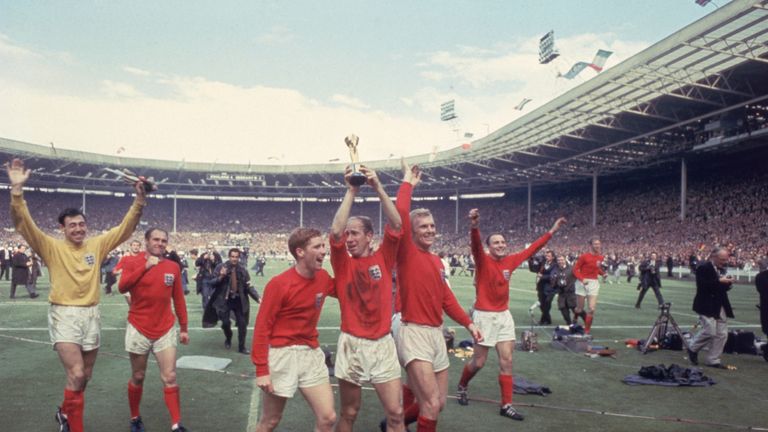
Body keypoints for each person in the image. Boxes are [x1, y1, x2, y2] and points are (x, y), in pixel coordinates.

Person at [6, 158, 148, 432]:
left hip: (92, 315)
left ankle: (64, 412)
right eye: (72, 225)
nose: (79, 229)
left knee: (85, 377)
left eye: (82, 224)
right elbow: (24, 224)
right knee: (77, 372)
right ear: (63, 228)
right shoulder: (50, 246)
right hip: (64, 314)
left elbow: (124, 229)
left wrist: (139, 203)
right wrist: (16, 191)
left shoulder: (96, 244)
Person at [394, 162, 482, 432]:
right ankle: (395, 424)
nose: (430, 230)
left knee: (438, 403)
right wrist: (408, 182)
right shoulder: (406, 252)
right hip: (414, 333)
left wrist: (469, 324)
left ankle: (393, 424)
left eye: (432, 225)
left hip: (436, 334)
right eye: (423, 226)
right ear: (412, 231)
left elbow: (446, 298)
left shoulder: (436, 261)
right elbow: (400, 214)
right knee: (431, 403)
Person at [457, 209, 565, 421]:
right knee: (479, 362)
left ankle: (506, 405)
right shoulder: (482, 260)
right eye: (496, 242)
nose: (500, 245)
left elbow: (535, 247)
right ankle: (462, 385)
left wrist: (552, 231)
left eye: (503, 242)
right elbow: (475, 245)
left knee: (507, 361)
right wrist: (475, 226)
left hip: (503, 316)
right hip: (484, 316)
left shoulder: (511, 260)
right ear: (489, 247)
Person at [329, 165, 404, 432]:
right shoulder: (342, 262)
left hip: (382, 345)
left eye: (355, 233)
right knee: (349, 412)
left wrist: (378, 187)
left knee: (396, 413)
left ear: (370, 236)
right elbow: (335, 232)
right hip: (351, 344)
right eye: (348, 234)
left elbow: (397, 224)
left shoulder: (383, 257)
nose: (348, 239)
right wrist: (352, 189)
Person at [251, 228, 336, 432]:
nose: (323, 251)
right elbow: (262, 328)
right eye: (317, 246)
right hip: (282, 355)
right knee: (270, 421)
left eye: (323, 246)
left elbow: (350, 292)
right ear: (300, 252)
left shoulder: (323, 277)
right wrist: (262, 370)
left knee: (328, 418)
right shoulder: (279, 284)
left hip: (311, 353)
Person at [118, 228, 189, 432]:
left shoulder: (173, 267)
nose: (160, 243)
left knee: (170, 376)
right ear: (146, 241)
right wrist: (146, 267)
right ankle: (135, 418)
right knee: (138, 376)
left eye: (163, 240)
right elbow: (122, 287)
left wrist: (183, 328)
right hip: (138, 326)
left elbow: (178, 299)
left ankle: (176, 424)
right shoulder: (133, 262)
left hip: (165, 328)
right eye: (156, 239)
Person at [203, 248, 261, 354]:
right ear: (229, 257)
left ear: (239, 258)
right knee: (225, 323)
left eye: (236, 257)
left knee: (242, 324)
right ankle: (228, 338)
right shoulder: (221, 267)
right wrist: (221, 276)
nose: (234, 259)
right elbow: (211, 282)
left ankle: (242, 347)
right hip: (224, 300)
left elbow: (249, 286)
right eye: (232, 256)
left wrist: (258, 298)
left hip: (239, 300)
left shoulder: (243, 269)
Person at [687, 247, 735, 369]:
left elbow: (719, 287)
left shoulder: (722, 268)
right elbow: (703, 286)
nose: (724, 262)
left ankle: (713, 359)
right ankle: (692, 348)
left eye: (726, 259)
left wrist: (728, 283)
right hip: (705, 304)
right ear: (713, 256)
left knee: (722, 334)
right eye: (722, 259)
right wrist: (720, 281)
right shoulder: (703, 267)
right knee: (710, 331)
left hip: (720, 303)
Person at [572, 238, 606, 334]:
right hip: (581, 282)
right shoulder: (584, 256)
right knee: (580, 308)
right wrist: (582, 279)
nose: (597, 246)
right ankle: (575, 317)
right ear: (590, 245)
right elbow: (575, 270)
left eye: (599, 244)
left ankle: (586, 331)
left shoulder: (600, 257)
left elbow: (596, 269)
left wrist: (603, 274)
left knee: (591, 308)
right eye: (595, 244)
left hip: (593, 283)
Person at [551, 255, 578, 325]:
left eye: (562, 260)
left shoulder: (571, 268)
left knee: (575, 309)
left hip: (571, 293)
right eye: (559, 260)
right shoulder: (555, 270)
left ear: (565, 260)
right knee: (563, 308)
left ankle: (586, 321)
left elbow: (578, 276)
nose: (560, 261)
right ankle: (569, 324)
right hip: (561, 293)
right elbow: (553, 282)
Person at [535, 250, 558, 325]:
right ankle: (547, 319)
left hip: (550, 288)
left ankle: (543, 320)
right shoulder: (543, 263)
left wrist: (542, 276)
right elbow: (534, 269)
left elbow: (552, 276)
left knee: (547, 303)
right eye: (546, 256)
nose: (546, 257)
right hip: (541, 287)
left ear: (553, 257)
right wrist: (531, 259)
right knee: (542, 304)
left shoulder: (555, 265)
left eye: (548, 256)